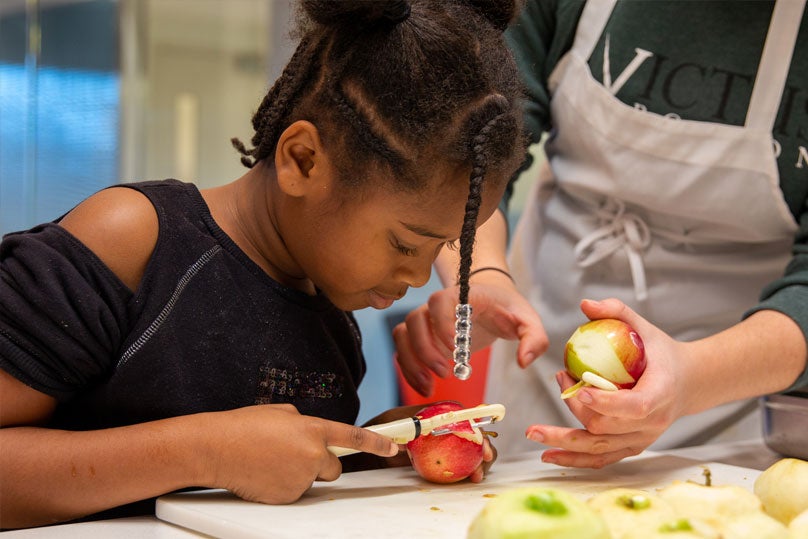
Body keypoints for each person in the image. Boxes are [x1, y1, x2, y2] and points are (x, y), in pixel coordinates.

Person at [0, 0, 528, 529]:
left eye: (439, 249)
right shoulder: (134, 238)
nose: (417, 277)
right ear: (302, 160)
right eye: (405, 243)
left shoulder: (330, 307)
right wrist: (201, 450)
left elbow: (265, 477)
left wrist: (378, 444)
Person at [394, 0, 808, 466]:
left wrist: (691, 379)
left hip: (740, 401)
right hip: (544, 365)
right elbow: (473, 150)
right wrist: (485, 275)